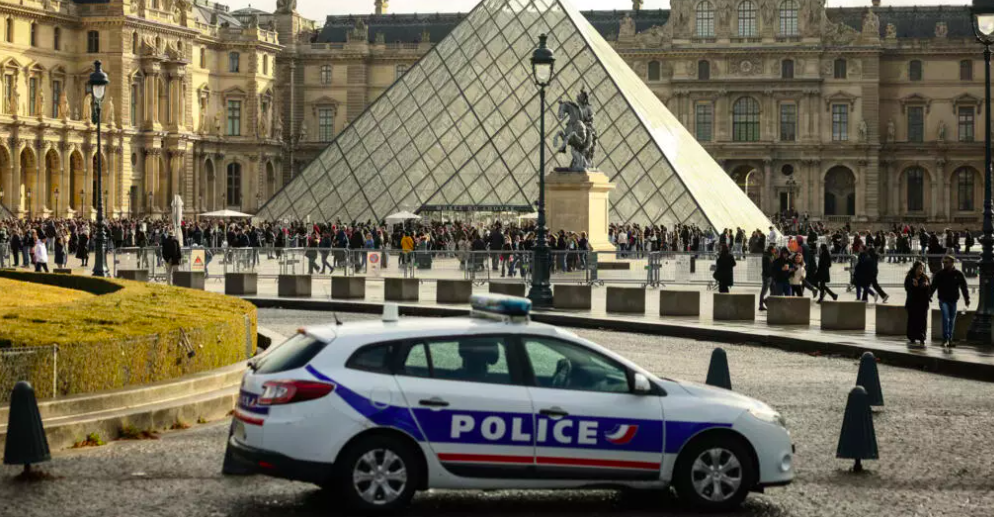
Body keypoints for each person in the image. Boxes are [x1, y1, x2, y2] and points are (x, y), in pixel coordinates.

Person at [931, 255, 971, 347]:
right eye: (943, 262)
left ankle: (950, 339)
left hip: (953, 300)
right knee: (946, 318)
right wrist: (929, 295)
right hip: (943, 300)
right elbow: (933, 286)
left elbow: (964, 288)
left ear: (952, 263)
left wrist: (967, 299)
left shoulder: (958, 274)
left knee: (952, 320)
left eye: (946, 262)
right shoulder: (939, 274)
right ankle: (945, 339)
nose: (944, 264)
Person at [904, 261, 930, 347]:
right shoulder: (910, 277)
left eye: (922, 268)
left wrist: (926, 286)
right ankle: (912, 336)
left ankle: (922, 336)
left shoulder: (925, 278)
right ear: (915, 268)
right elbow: (907, 288)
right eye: (919, 268)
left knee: (922, 320)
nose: (920, 270)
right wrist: (913, 286)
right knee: (913, 320)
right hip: (912, 303)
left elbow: (929, 290)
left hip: (922, 303)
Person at [759, 245, 775, 311]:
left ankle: (766, 301)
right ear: (771, 250)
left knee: (773, 290)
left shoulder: (771, 256)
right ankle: (761, 305)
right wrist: (768, 274)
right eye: (774, 249)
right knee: (764, 290)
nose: (774, 251)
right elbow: (766, 267)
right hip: (767, 276)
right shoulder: (766, 257)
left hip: (771, 276)